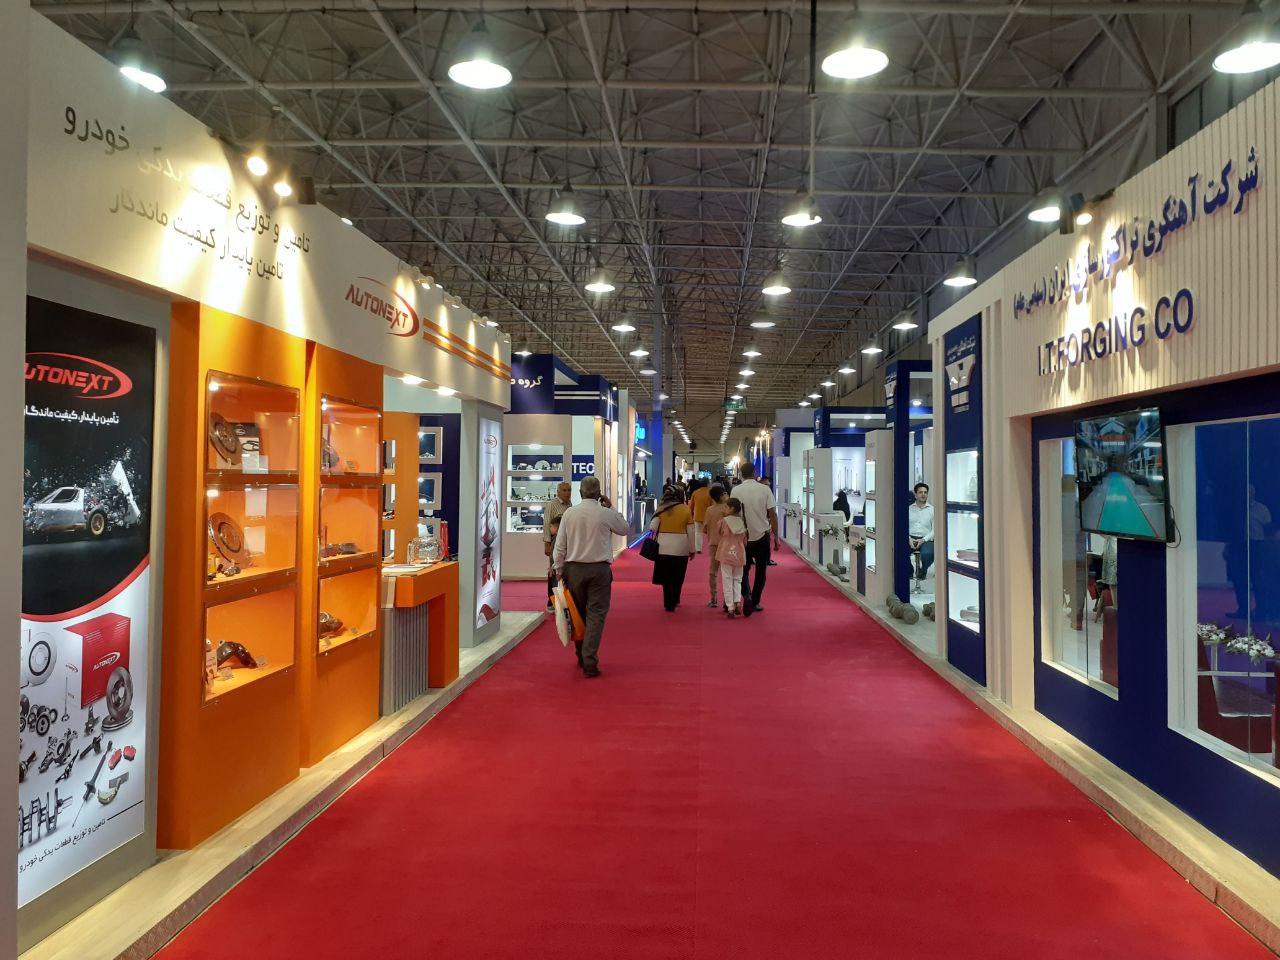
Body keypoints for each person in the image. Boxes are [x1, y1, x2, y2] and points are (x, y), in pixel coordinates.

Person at [553, 476, 630, 677]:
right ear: (599, 494)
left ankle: (581, 653)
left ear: (580, 493)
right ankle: (589, 657)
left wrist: (559, 570)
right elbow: (624, 528)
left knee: (577, 613)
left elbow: (560, 546)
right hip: (599, 570)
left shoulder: (570, 513)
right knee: (596, 614)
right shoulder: (605, 513)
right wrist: (611, 506)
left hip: (574, 569)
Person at [735, 462, 779, 616]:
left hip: (742, 536)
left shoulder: (735, 490)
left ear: (741, 474)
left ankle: (746, 596)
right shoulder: (765, 489)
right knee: (761, 571)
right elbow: (772, 514)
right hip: (762, 536)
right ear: (754, 472)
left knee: (743, 570)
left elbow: (733, 514)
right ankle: (755, 601)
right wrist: (776, 538)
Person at [649, 483, 696, 612]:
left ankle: (668, 602)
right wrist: (692, 550)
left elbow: (652, 527)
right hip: (681, 547)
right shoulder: (685, 509)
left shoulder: (661, 508)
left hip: (663, 547)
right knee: (678, 575)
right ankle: (675, 598)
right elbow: (691, 532)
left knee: (666, 577)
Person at [542, 481, 573, 612]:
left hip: (567, 542)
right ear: (558, 492)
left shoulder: (569, 504)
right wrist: (547, 544)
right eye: (564, 490)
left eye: (569, 490)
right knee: (554, 571)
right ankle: (551, 601)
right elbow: (546, 524)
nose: (567, 493)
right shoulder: (552, 505)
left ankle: (563, 600)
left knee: (563, 570)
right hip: (555, 541)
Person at [716, 497, 749, 617]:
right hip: (739, 554)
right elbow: (745, 540)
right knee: (737, 579)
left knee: (727, 579)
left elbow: (719, 532)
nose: (724, 509)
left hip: (726, 553)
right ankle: (737, 603)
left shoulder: (723, 522)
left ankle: (730, 607)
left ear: (732, 508)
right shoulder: (742, 522)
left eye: (726, 507)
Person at [702, 484, 730, 608]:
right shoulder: (729, 509)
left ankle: (713, 598)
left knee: (713, 571)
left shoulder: (709, 510)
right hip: (728, 543)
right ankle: (727, 600)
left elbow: (705, 529)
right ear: (721, 496)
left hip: (714, 543)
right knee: (727, 572)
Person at [907, 482, 934, 594]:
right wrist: (909, 538)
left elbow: (934, 530)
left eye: (925, 492)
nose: (923, 494)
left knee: (928, 554)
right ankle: (909, 571)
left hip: (926, 538)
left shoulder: (932, 510)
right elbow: (904, 527)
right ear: (915, 494)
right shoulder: (908, 509)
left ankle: (923, 570)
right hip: (910, 538)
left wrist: (923, 540)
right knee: (900, 552)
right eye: (920, 492)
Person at [689, 479, 713, 553]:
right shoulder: (711, 493)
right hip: (708, 516)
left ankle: (698, 549)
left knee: (698, 533)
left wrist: (691, 514)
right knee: (710, 533)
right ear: (707, 484)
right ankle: (711, 547)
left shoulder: (695, 492)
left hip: (697, 516)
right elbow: (713, 505)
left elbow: (691, 505)